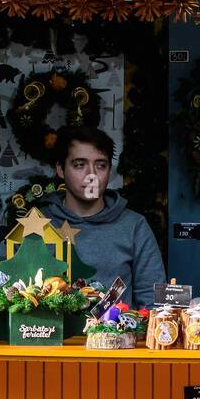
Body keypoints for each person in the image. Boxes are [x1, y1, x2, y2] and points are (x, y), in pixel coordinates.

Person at [39, 124, 166, 308]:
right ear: (60, 169)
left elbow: (153, 301)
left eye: (101, 165)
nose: (91, 175)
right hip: (46, 335)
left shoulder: (134, 226)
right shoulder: (36, 225)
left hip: (115, 335)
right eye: (80, 165)